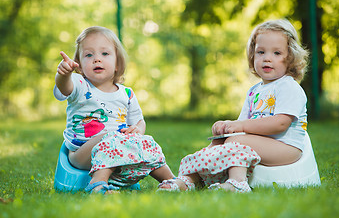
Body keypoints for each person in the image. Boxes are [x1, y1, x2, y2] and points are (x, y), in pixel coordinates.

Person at [158, 19, 309, 193]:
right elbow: (242, 125)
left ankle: (238, 183)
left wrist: (239, 128)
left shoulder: (289, 87)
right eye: (261, 52)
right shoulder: (254, 91)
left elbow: (280, 124)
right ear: (252, 56)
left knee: (237, 140)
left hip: (286, 147)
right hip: (262, 143)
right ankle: (189, 179)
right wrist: (227, 126)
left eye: (276, 53)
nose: (267, 58)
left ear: (290, 58)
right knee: (220, 141)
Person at [54, 26, 175, 194]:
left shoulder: (126, 94)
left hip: (119, 151)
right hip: (83, 154)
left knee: (147, 142)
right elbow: (65, 87)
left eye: (105, 54)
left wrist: (137, 130)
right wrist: (64, 74)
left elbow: (139, 121)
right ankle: (98, 185)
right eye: (89, 55)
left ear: (117, 64)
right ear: (79, 65)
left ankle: (171, 181)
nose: (97, 59)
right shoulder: (79, 85)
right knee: (108, 138)